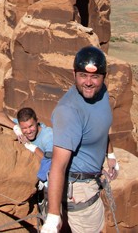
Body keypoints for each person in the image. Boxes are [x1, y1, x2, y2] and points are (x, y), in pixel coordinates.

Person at [41, 46, 119, 233]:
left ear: (103, 76)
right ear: (74, 74)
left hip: (92, 180)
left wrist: (111, 154)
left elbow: (100, 127)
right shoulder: (69, 112)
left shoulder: (103, 93)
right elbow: (58, 166)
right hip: (79, 189)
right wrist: (53, 216)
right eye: (83, 75)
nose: (89, 82)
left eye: (95, 77)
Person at [0, 107, 53, 183]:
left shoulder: (48, 136)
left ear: (37, 120)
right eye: (24, 128)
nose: (28, 131)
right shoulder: (20, 125)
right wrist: (16, 128)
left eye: (31, 126)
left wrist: (29, 145)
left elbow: (48, 163)